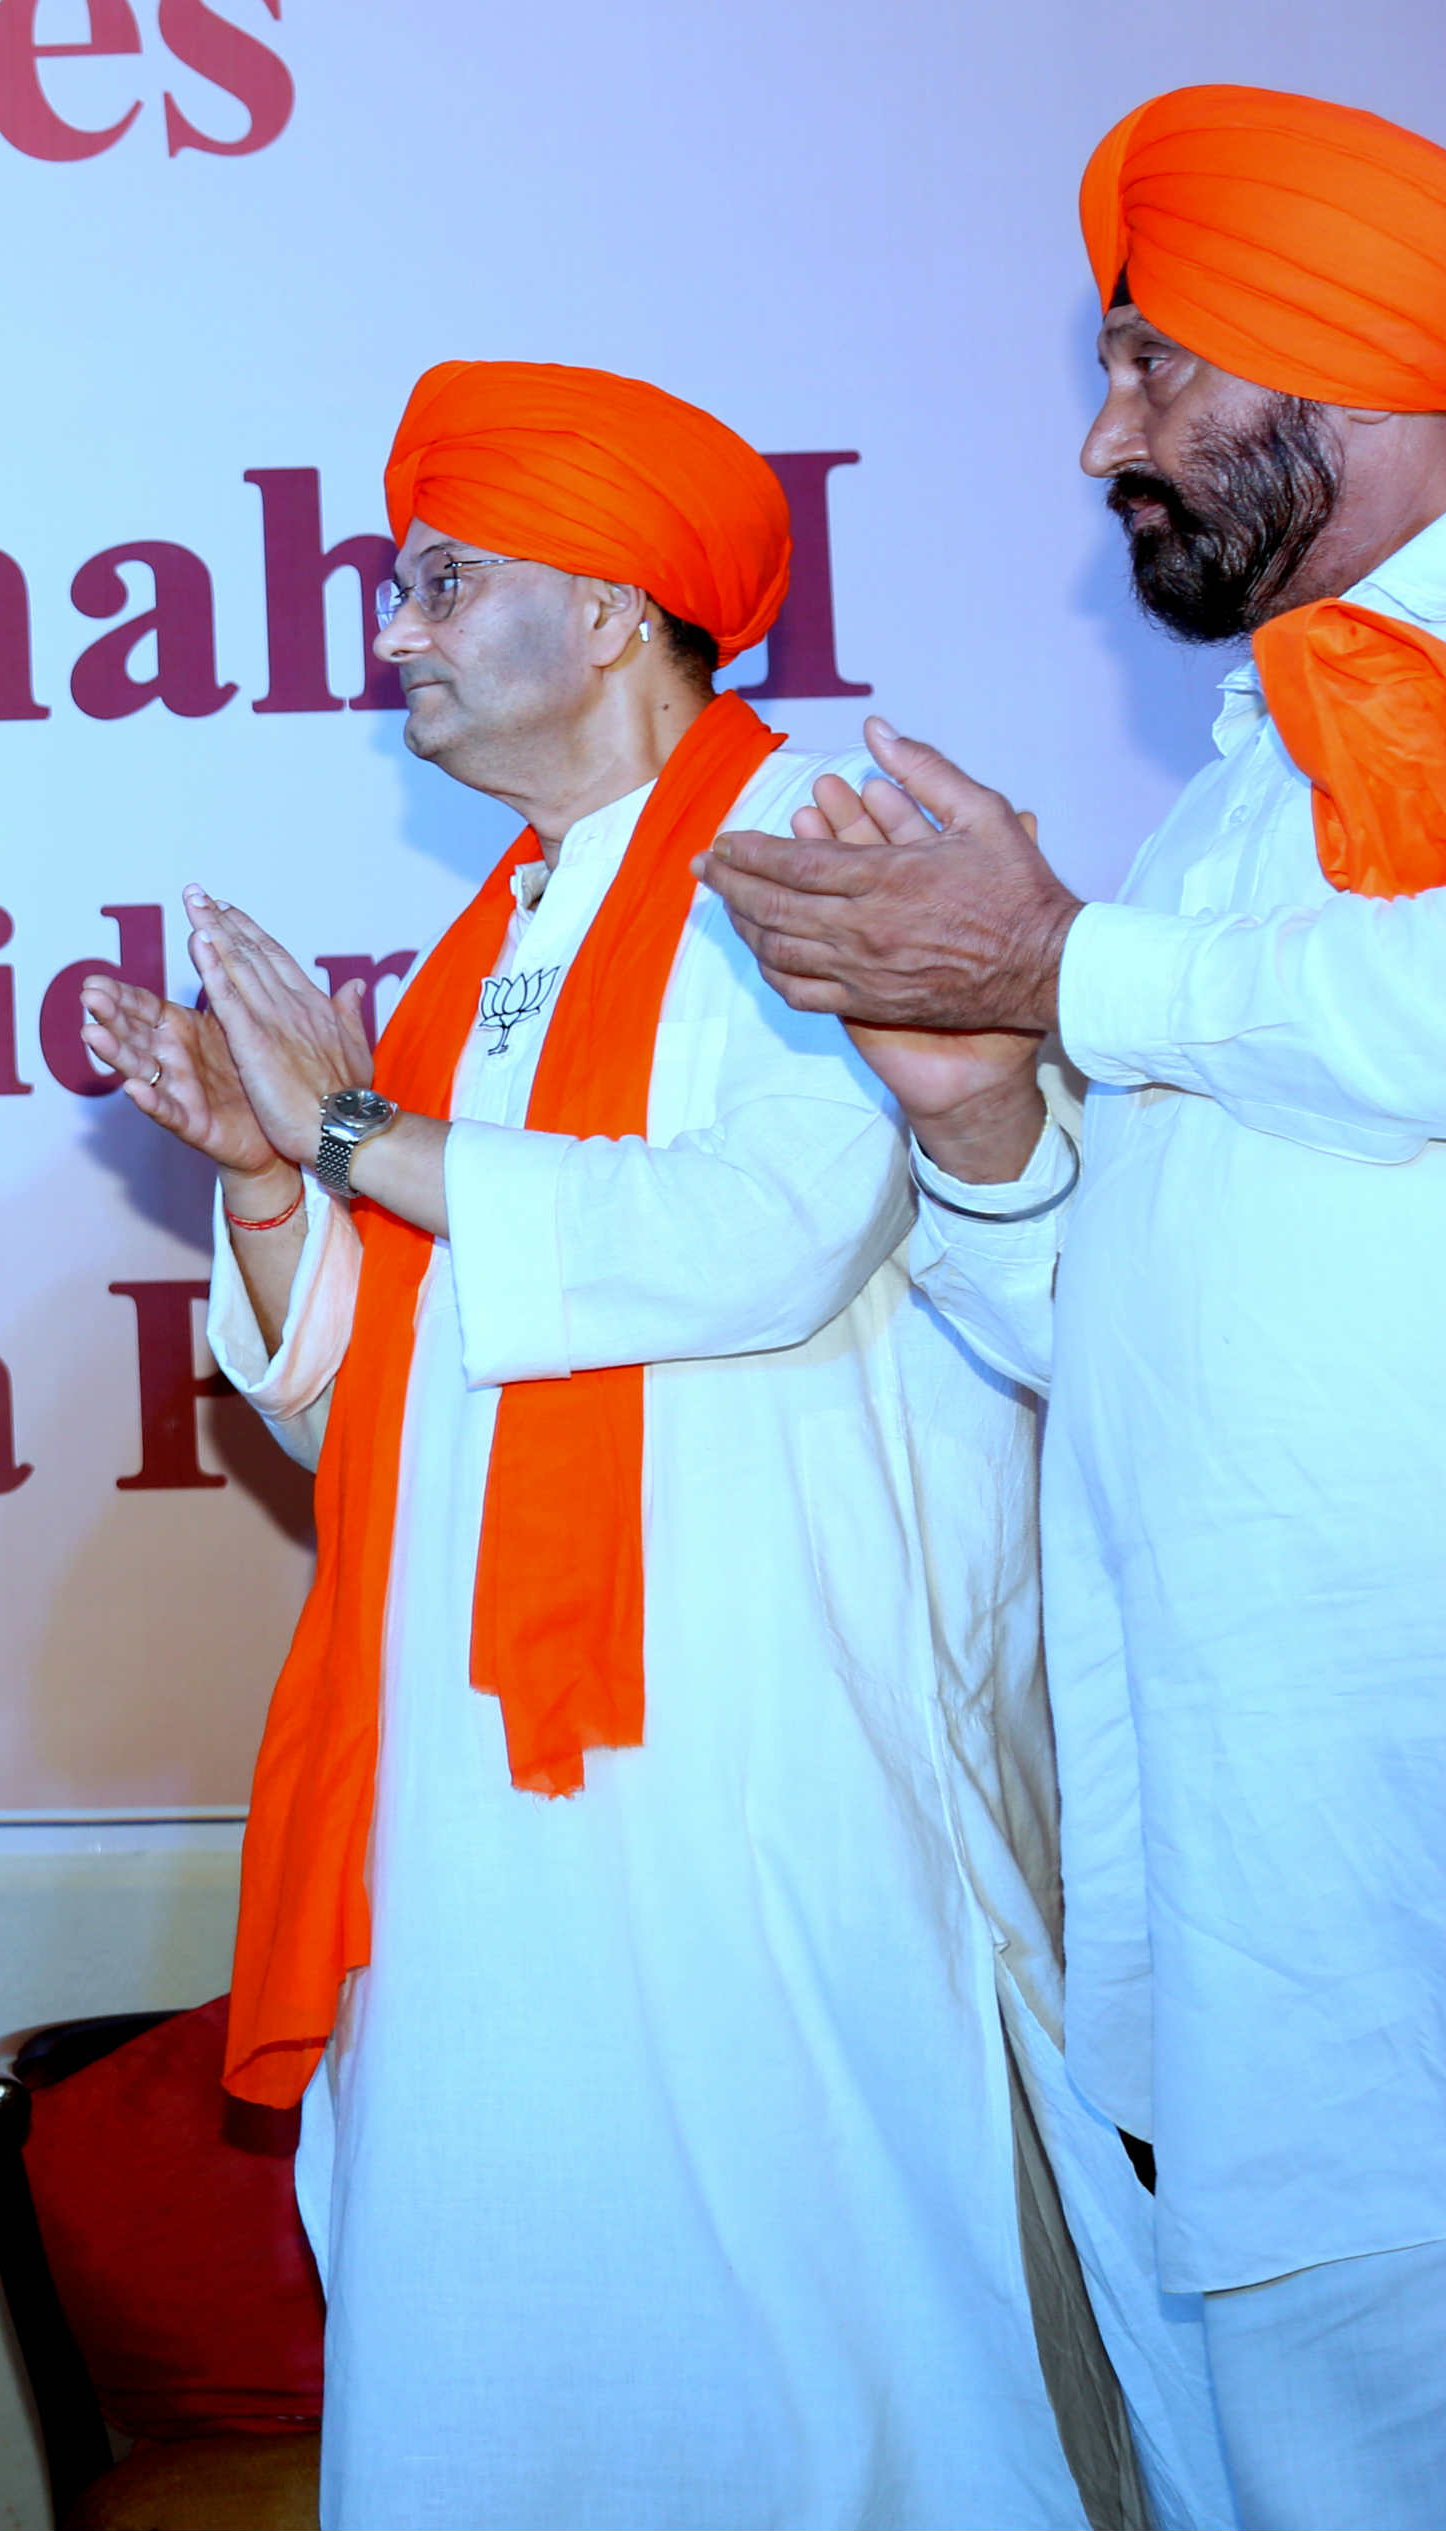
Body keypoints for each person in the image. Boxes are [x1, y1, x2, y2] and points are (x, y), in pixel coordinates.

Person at [85, 363, 1112, 2526]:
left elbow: (756, 1228)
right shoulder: (511, 921)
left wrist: (353, 1123)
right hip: (474, 1796)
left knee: (819, 2320)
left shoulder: (817, 862)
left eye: (445, 580)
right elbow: (373, 1353)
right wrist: (267, 1180)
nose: (393, 633)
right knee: (498, 2287)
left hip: (757, 1748)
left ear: (621, 608)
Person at [702, 84, 1446, 2524]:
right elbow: (1127, 1330)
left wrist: (1061, 962)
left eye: (1154, 368)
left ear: (1362, 370)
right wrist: (982, 1109)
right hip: (1260, 1878)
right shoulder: (1250, 777)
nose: (1099, 438)